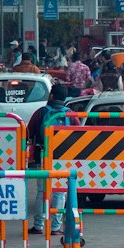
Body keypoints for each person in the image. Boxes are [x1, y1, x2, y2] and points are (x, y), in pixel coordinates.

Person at [28, 84, 81, 236]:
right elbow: (78, 134)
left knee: (41, 192)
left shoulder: (41, 112)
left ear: (51, 96)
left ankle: (38, 226)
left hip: (42, 156)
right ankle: (56, 228)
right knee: (59, 192)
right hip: (62, 158)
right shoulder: (70, 114)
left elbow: (28, 133)